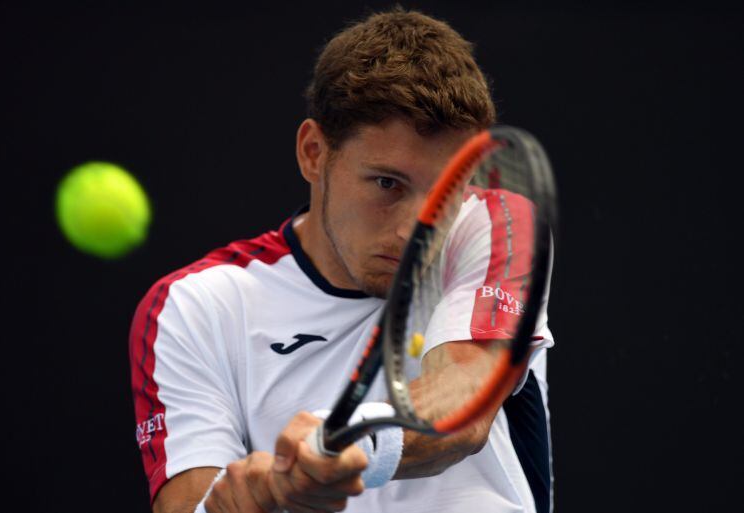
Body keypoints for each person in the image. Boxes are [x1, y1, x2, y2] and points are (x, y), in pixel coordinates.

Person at [130, 8, 554, 513]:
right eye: (387, 184)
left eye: (447, 192)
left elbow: (464, 403)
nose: (414, 231)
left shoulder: (497, 225)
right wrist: (239, 503)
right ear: (313, 152)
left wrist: (348, 441)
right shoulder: (193, 307)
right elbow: (188, 503)